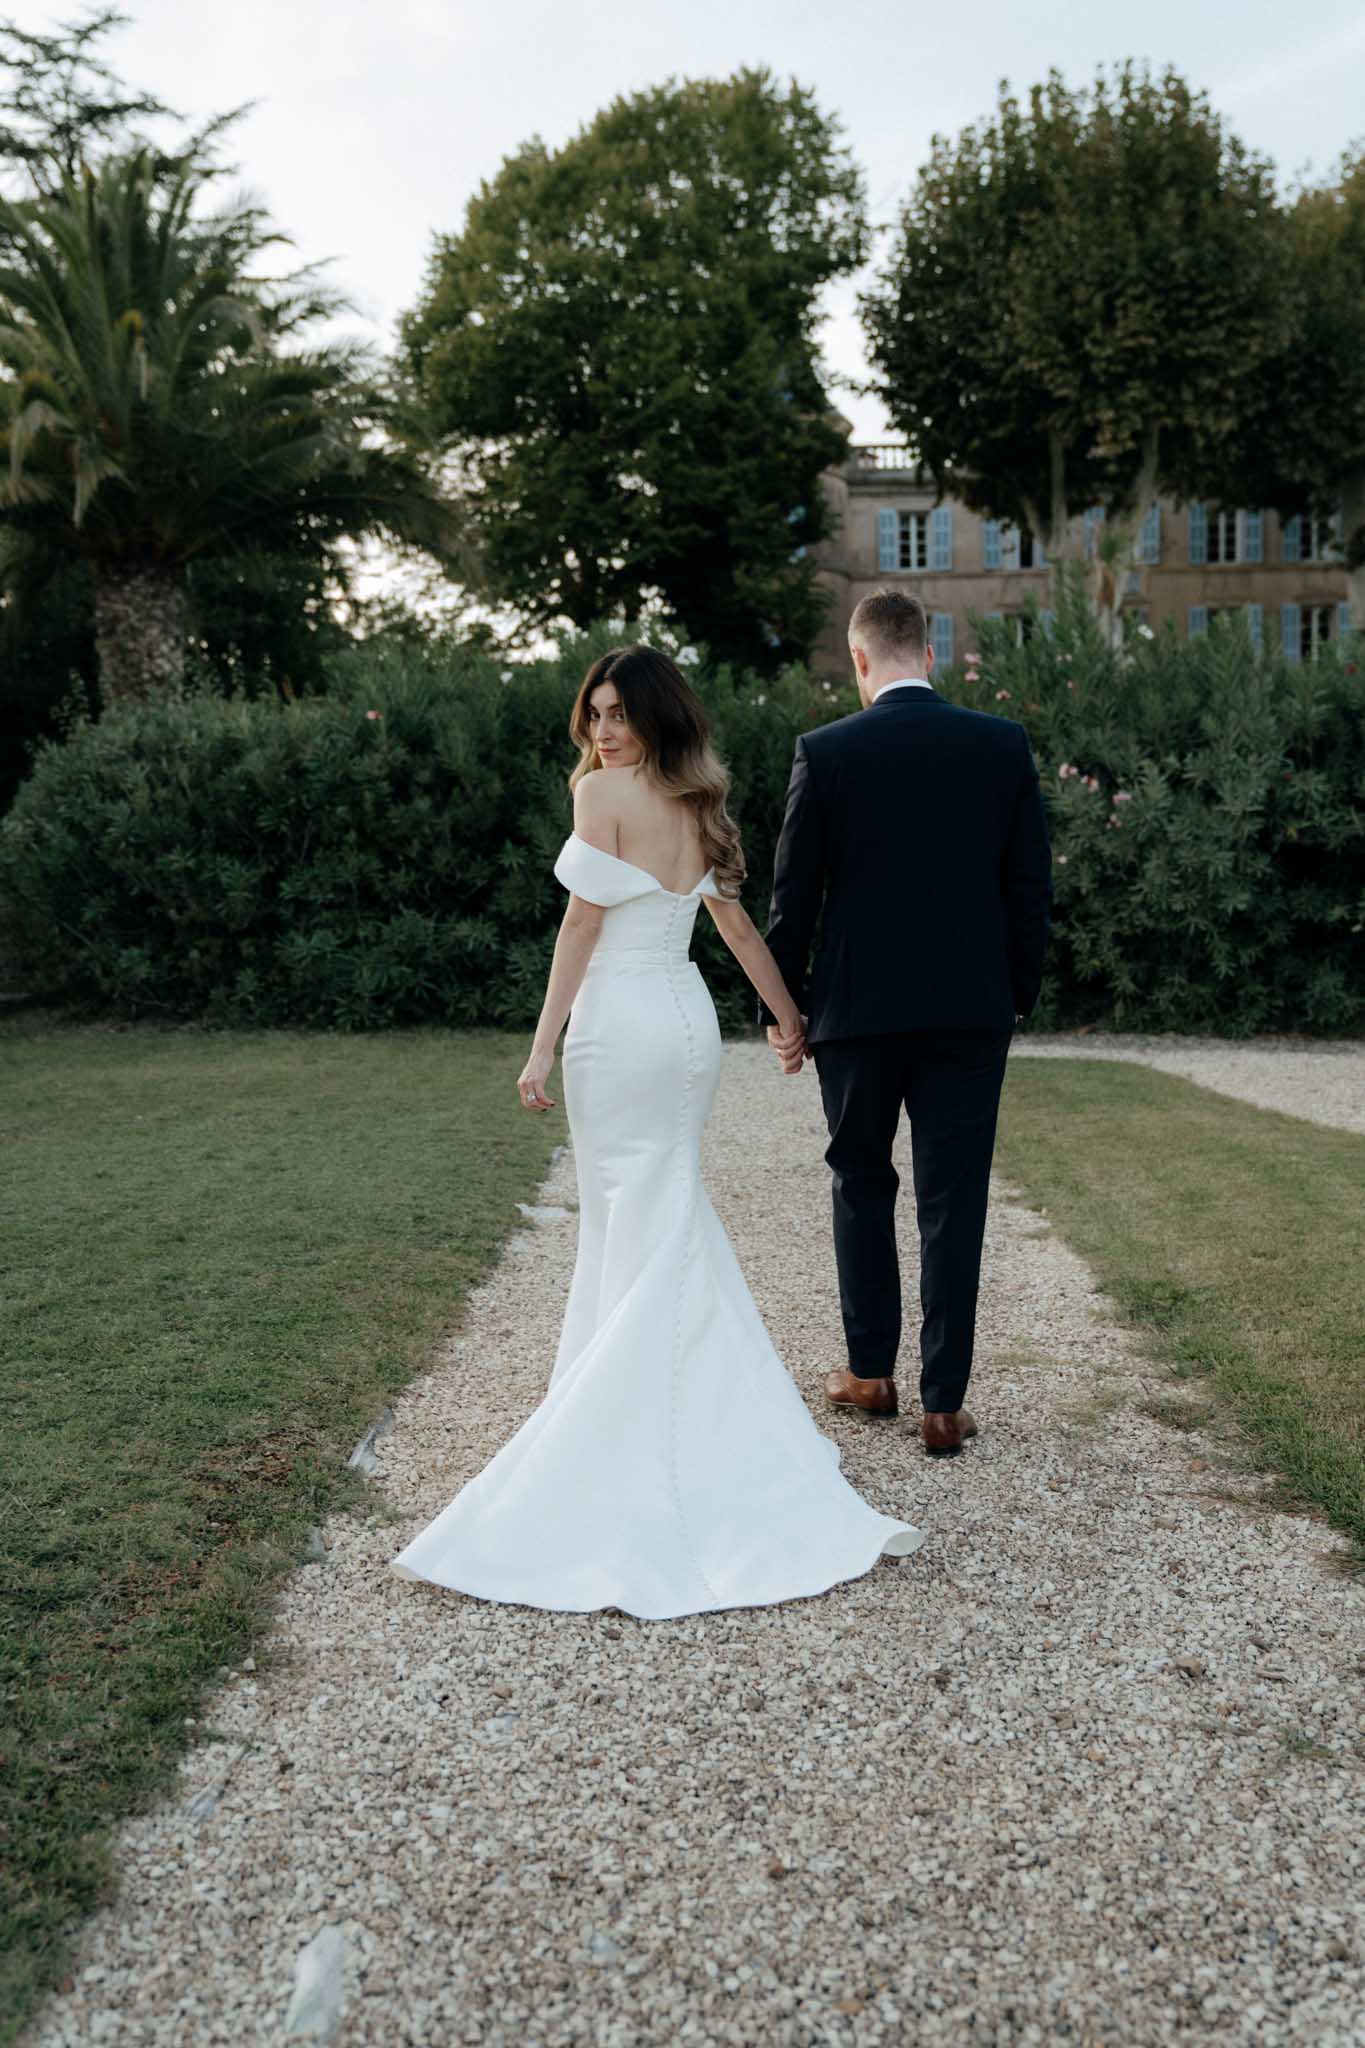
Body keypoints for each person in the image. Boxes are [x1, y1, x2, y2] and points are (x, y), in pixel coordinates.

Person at [390, 644, 923, 1618]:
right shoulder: (698, 803)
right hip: (684, 1028)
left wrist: (540, 1046)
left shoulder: (604, 798)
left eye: (619, 714)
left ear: (652, 717)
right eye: (593, 714)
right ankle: (682, 1414)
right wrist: (786, 1018)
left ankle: (614, 1420)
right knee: (662, 1211)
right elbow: (738, 930)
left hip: (620, 1027)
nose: (602, 731)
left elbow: (581, 930)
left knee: (633, 1213)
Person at [759, 588, 1052, 1454]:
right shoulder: (999, 745)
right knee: (953, 1197)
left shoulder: (825, 751)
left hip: (856, 1014)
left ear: (858, 660)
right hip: (969, 1010)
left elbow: (791, 900)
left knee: (860, 1181)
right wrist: (1016, 994)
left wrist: (785, 1011)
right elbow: (1029, 890)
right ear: (928, 654)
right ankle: (941, 1402)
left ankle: (870, 1374)